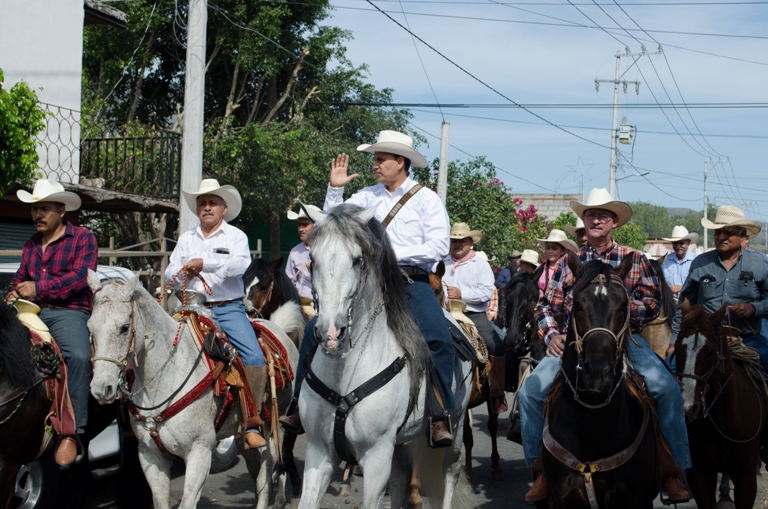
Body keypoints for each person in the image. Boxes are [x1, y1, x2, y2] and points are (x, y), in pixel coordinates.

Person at [280, 130, 455, 446]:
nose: (375, 165)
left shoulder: (427, 199)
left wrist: (389, 252)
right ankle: (296, 404)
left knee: (439, 338)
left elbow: (438, 247)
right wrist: (334, 189)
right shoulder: (364, 196)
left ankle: (439, 413)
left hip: (409, 282)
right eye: (374, 159)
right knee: (312, 332)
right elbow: (331, 222)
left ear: (400, 162)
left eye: (380, 159)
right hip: (367, 283)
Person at [520, 188, 691, 503]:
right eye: (590, 215)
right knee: (531, 392)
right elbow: (545, 307)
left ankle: (672, 470)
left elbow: (651, 302)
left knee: (665, 390)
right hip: (573, 342)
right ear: (583, 221)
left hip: (624, 338)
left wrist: (616, 316)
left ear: (614, 222)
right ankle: (540, 469)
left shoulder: (636, 260)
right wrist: (552, 335)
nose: (595, 220)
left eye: (602, 215)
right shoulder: (567, 263)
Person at [165, 179, 267, 449]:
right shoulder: (187, 238)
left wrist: (204, 264)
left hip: (228, 308)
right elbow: (169, 272)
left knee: (254, 356)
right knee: (165, 349)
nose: (206, 207)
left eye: (212, 203)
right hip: (191, 308)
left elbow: (240, 266)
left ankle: (252, 422)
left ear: (224, 208)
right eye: (202, 203)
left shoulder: (236, 236)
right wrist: (180, 274)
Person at [4, 179, 97, 466]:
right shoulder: (31, 245)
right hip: (30, 310)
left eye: (44, 209)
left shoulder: (83, 238)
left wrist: (39, 288)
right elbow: (20, 277)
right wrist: (12, 292)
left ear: (62, 210)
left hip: (69, 311)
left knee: (79, 357)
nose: (37, 215)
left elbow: (81, 277)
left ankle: (72, 432)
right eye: (34, 210)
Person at [672, 206, 768, 373]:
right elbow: (683, 306)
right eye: (718, 232)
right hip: (703, 339)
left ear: (742, 234)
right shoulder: (700, 264)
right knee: (670, 372)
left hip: (747, 339)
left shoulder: (759, 264)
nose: (721, 237)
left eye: (728, 232)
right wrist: (673, 341)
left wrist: (753, 308)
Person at [442, 225, 507, 413]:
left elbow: (487, 292)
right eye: (454, 240)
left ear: (471, 243)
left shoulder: (480, 264)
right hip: (444, 313)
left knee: (495, 345)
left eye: (462, 240)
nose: (458, 244)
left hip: (472, 314)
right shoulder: (441, 262)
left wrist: (462, 294)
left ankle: (497, 393)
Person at [286, 204, 321, 316]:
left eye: (305, 225)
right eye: (299, 225)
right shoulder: (295, 252)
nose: (301, 229)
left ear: (317, 226)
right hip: (303, 306)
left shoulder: (329, 249)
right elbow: (290, 283)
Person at [536, 229, 577, 294]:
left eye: (554, 248)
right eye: (548, 248)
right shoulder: (540, 268)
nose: (550, 251)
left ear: (563, 251)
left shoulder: (568, 270)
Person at [661, 225, 698, 295]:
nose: (678, 246)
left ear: (688, 243)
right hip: (670, 302)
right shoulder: (665, 261)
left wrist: (681, 287)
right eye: (675, 243)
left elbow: (699, 284)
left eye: (681, 243)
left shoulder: (696, 260)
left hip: (690, 302)